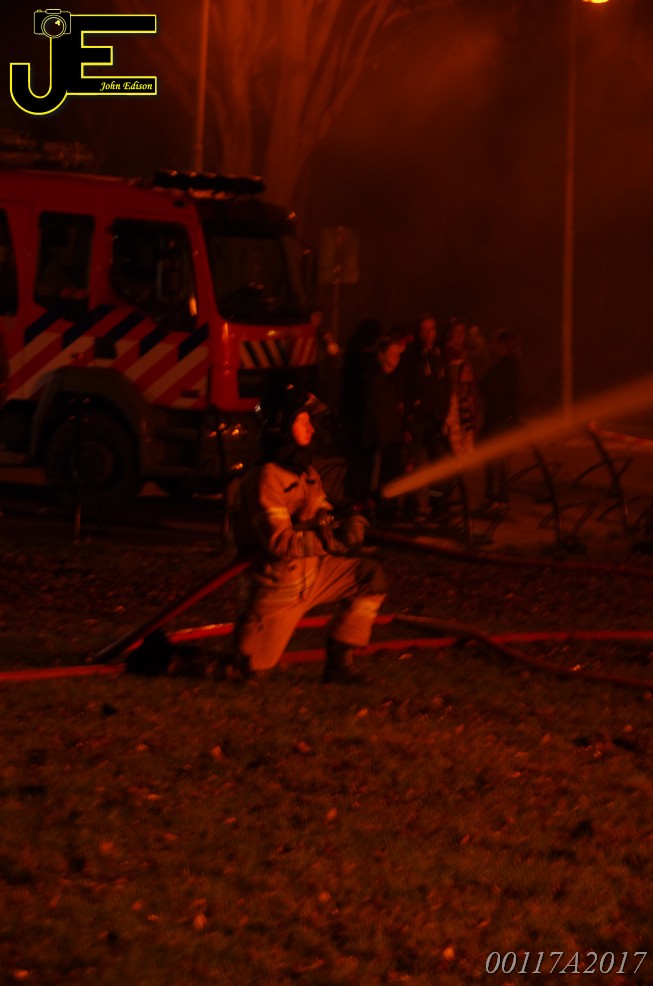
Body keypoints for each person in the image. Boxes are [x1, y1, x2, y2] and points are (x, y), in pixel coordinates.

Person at [230, 384, 387, 683]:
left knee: (370, 577)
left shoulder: (306, 472)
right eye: (303, 420)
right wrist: (335, 539)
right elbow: (279, 543)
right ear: (279, 426)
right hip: (278, 590)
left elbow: (322, 513)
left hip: (314, 574)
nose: (311, 429)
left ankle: (339, 664)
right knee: (248, 672)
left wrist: (348, 517)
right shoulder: (265, 478)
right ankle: (167, 660)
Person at [402, 313, 449, 519]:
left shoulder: (440, 353)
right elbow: (403, 386)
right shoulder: (411, 355)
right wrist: (409, 414)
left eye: (432, 329)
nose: (429, 334)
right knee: (414, 464)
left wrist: (444, 412)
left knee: (441, 462)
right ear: (418, 332)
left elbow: (447, 385)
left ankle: (438, 503)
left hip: (436, 418)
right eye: (425, 330)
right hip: (417, 419)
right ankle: (411, 506)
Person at [478, 327, 522, 508]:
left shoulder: (507, 366)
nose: (495, 348)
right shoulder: (507, 365)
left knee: (496, 456)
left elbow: (488, 386)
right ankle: (496, 493)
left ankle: (497, 495)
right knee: (496, 457)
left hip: (499, 418)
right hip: (500, 417)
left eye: (499, 345)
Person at [442, 317, 476, 457]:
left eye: (463, 332)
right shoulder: (446, 352)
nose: (461, 335)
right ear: (450, 333)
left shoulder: (463, 352)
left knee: (466, 435)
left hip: (464, 400)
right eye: (457, 332)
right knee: (455, 440)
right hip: (453, 402)